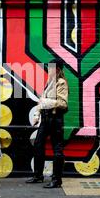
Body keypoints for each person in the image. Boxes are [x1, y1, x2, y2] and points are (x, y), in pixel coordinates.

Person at [26, 58, 69, 188]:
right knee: (38, 145)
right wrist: (37, 114)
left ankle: (57, 180)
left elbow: (63, 103)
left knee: (57, 149)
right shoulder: (49, 81)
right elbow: (42, 101)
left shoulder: (61, 83)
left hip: (55, 119)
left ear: (57, 69)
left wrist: (47, 102)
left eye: (50, 67)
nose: (48, 69)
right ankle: (38, 176)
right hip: (45, 119)